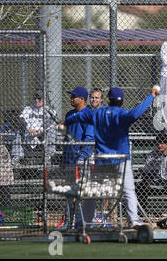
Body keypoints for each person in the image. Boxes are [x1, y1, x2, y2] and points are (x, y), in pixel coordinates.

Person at [62, 85, 160, 227]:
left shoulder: (97, 114)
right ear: (123, 102)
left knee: (93, 194)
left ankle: (86, 222)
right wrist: (151, 96)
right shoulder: (123, 114)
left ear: (107, 101)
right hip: (121, 159)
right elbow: (136, 113)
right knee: (128, 191)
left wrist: (66, 122)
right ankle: (133, 220)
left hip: (103, 160)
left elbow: (79, 116)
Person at [60, 86, 95, 229]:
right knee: (69, 193)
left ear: (82, 99)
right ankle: (68, 222)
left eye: (74, 96)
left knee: (82, 193)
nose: (71, 98)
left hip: (82, 160)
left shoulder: (89, 115)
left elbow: (89, 138)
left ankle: (82, 222)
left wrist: (82, 157)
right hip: (69, 158)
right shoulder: (69, 114)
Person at [19, 90, 57, 159]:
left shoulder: (49, 110)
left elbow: (52, 120)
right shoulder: (28, 109)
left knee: (52, 129)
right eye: (34, 98)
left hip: (43, 136)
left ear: (44, 99)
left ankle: (49, 156)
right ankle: (17, 157)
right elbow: (22, 119)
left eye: (39, 98)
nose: (36, 100)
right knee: (19, 130)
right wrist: (29, 129)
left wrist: (40, 130)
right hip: (29, 135)